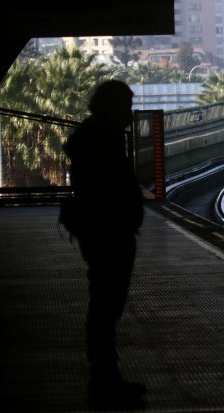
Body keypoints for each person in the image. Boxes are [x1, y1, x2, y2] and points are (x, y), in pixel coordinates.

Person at [63, 80, 146, 409]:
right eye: (126, 106)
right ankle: (104, 381)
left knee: (104, 307)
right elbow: (108, 189)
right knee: (105, 308)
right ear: (112, 108)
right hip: (109, 233)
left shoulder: (96, 137)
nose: (130, 113)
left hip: (105, 231)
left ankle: (107, 377)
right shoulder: (103, 142)